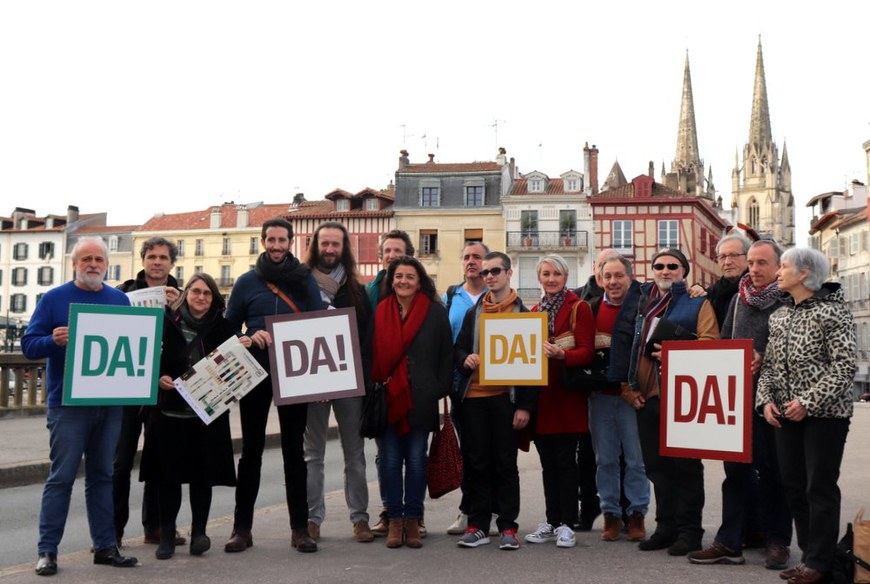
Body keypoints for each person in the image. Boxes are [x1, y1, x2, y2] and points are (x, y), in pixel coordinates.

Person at [22, 237, 138, 576]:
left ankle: (105, 547)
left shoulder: (119, 299)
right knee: (61, 478)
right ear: (74, 263)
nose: (93, 264)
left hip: (110, 403)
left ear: (106, 264)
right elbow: (29, 345)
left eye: (99, 259)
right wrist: (52, 340)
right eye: (86, 258)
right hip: (68, 405)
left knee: (103, 476)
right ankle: (47, 551)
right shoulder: (54, 299)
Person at [688, 240, 793, 568]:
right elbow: (725, 346)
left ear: (778, 266)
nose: (755, 269)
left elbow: (801, 354)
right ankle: (728, 542)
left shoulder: (790, 300)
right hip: (738, 401)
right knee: (735, 474)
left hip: (775, 404)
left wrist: (767, 357)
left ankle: (778, 541)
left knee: (775, 473)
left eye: (763, 263)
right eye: (752, 262)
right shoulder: (738, 300)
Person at [224, 218, 323, 554]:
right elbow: (226, 328)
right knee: (251, 452)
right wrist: (247, 337)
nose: (277, 245)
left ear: (291, 242)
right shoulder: (246, 282)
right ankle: (242, 529)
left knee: (294, 452)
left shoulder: (305, 280)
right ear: (263, 241)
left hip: (295, 374)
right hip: (254, 374)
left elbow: (318, 323)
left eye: (283, 240)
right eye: (272, 240)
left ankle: (299, 530)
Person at [757, 248, 856, 584]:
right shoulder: (779, 315)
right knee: (794, 485)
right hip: (785, 414)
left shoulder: (834, 312)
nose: (777, 271)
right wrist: (765, 401)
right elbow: (768, 367)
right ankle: (810, 556)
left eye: (783, 266)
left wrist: (808, 402)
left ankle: (819, 562)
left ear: (804, 274)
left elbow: (844, 367)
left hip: (825, 416)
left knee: (820, 487)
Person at [620, 248, 719, 556]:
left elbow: (711, 344)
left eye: (672, 266)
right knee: (657, 468)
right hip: (646, 399)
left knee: (686, 469)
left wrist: (677, 352)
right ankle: (666, 528)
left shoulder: (697, 302)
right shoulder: (641, 304)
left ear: (684, 272)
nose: (665, 271)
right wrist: (627, 387)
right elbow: (626, 347)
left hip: (683, 400)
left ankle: (690, 532)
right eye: (659, 266)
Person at [141, 274, 247, 560]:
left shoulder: (224, 329)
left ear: (214, 299)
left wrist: (246, 344)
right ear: (185, 293)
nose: (200, 297)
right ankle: (166, 535)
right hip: (168, 413)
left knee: (203, 478)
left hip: (205, 417)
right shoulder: (164, 324)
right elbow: (147, 359)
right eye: (196, 291)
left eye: (207, 293)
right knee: (168, 479)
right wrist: (158, 377)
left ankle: (199, 533)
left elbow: (237, 369)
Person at [365, 256, 453, 549]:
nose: (403, 281)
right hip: (387, 396)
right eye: (398, 276)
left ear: (420, 282)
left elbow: (446, 354)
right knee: (390, 461)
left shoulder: (435, 312)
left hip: (422, 398)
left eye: (410, 277)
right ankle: (395, 520)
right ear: (392, 280)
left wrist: (438, 388)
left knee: (416, 460)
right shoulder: (380, 311)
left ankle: (414, 518)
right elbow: (369, 352)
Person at [453, 252, 536, 550]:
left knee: (504, 463)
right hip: (473, 399)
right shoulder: (473, 313)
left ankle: (508, 527)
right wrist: (466, 358)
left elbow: (532, 366)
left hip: (505, 399)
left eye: (495, 270)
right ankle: (477, 524)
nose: (489, 276)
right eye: (486, 271)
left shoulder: (524, 315)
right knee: (476, 463)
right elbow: (458, 350)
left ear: (509, 273)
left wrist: (525, 406)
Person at [302, 222, 373, 543]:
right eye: (325, 244)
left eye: (336, 245)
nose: (330, 250)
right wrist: (314, 381)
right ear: (316, 246)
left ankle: (360, 520)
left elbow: (366, 340)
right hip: (310, 383)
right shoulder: (299, 286)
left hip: (349, 383)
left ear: (345, 249)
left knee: (354, 455)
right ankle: (311, 519)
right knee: (312, 455)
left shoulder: (356, 291)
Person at [114, 237, 183, 547]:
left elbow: (190, 339)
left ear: (171, 263)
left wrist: (175, 308)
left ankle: (154, 527)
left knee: (158, 461)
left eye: (163, 257)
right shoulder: (122, 293)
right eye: (152, 256)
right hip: (128, 387)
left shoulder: (182, 297)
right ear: (143, 260)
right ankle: (111, 531)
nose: (157, 262)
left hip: (164, 389)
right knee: (120, 463)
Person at [524, 254, 595, 549]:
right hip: (542, 400)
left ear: (566, 277)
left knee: (566, 464)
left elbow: (587, 352)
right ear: (539, 278)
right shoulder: (534, 310)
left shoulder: (579, 308)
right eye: (545, 274)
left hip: (566, 400)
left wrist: (562, 355)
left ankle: (567, 522)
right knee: (548, 465)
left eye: (556, 274)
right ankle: (551, 521)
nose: (551, 279)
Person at [586, 256, 649, 542]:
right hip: (600, 396)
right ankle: (611, 514)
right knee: (606, 460)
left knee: (636, 460)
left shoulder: (643, 307)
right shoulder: (591, 309)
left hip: (631, 397)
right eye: (607, 276)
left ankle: (637, 514)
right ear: (600, 280)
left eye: (618, 276)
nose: (613, 282)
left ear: (630, 277)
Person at [364, 229, 416, 536]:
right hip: (380, 387)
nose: (392, 255)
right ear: (380, 256)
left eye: (398, 250)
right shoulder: (368, 293)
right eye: (388, 251)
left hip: (412, 387)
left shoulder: (423, 293)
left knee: (413, 453)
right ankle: (389, 509)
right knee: (386, 453)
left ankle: (413, 514)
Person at [443, 241, 489, 536]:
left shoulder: (497, 296)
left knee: (493, 452)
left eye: (477, 257)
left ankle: (491, 510)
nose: (471, 261)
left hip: (495, 387)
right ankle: (468, 509)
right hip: (460, 387)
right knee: (468, 452)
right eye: (467, 257)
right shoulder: (450, 297)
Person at [572, 248, 619, 529]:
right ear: (595, 268)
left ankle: (622, 511)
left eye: (613, 269)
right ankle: (587, 508)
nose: (607, 274)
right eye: (603, 267)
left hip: (620, 389)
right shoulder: (579, 298)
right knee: (587, 455)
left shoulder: (632, 299)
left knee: (622, 457)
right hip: (588, 391)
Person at [689, 232, 751, 326]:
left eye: (733, 255)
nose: (727, 262)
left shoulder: (759, 291)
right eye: (722, 257)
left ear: (748, 258)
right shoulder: (711, 294)